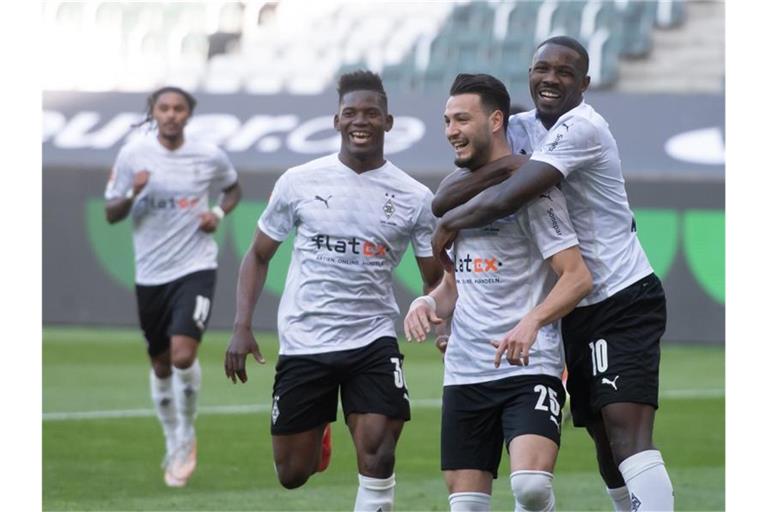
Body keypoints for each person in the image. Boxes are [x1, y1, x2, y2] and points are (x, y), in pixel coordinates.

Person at [431, 37, 674, 511]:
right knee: (605, 443)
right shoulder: (517, 127)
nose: (550, 79)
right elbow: (448, 190)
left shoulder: (582, 127)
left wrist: (451, 221)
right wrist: (457, 202)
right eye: (542, 68)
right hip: (573, 308)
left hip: (619, 294)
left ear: (584, 83)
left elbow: (504, 198)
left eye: (565, 72)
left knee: (627, 432)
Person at [224, 70, 443, 511]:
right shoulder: (299, 181)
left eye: (371, 113)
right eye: (351, 113)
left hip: (372, 338)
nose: (360, 121)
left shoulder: (415, 197)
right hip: (306, 338)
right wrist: (241, 326)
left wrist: (442, 321)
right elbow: (258, 254)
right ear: (336, 121)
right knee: (292, 473)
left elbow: (434, 276)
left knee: (378, 451)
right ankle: (318, 433)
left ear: (389, 122)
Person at [404, 73, 592, 512]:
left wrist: (531, 322)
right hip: (466, 370)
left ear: (495, 120)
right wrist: (428, 301)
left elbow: (577, 276)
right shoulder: (456, 194)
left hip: (529, 363)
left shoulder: (534, 191)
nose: (451, 130)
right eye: (447, 120)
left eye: (462, 119)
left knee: (530, 487)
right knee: (467, 506)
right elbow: (457, 282)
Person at [104, 86, 242, 487]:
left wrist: (216, 212)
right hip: (151, 273)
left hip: (195, 266)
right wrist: (134, 191)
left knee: (183, 356)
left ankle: (186, 431)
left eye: (178, 108)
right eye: (163, 108)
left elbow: (233, 188)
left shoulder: (207, 154)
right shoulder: (134, 155)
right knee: (161, 363)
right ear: (154, 113)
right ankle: (172, 435)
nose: (171, 115)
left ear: (188, 115)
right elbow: (112, 212)